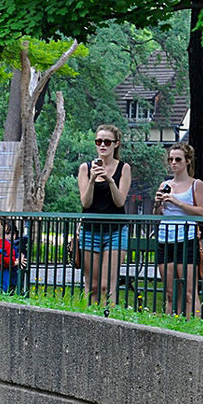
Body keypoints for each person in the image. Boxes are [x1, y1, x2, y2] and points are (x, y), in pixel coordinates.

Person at [77, 124, 131, 306]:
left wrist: (109, 180)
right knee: (91, 285)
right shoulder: (85, 168)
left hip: (115, 230)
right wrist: (92, 180)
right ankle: (88, 322)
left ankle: (110, 322)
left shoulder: (124, 168)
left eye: (107, 142)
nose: (103, 145)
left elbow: (119, 201)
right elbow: (85, 202)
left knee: (106, 286)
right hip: (90, 230)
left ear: (116, 144)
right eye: (99, 141)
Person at [154, 143, 203, 317]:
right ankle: (172, 328)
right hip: (165, 239)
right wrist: (158, 204)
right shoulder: (165, 184)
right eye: (170, 159)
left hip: (187, 239)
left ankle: (195, 330)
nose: (173, 163)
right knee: (170, 293)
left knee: (189, 293)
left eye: (178, 159)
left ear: (187, 161)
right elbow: (157, 215)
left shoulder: (196, 184)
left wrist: (176, 201)